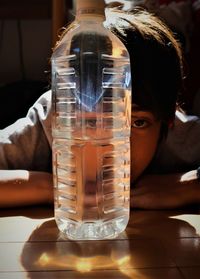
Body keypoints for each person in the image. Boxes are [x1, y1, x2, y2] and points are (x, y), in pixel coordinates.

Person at [0, 8, 200, 209]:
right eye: (92, 120)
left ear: (168, 120)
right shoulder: (51, 121)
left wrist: (188, 186)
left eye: (138, 123)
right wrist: (52, 186)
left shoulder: (180, 138)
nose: (112, 145)